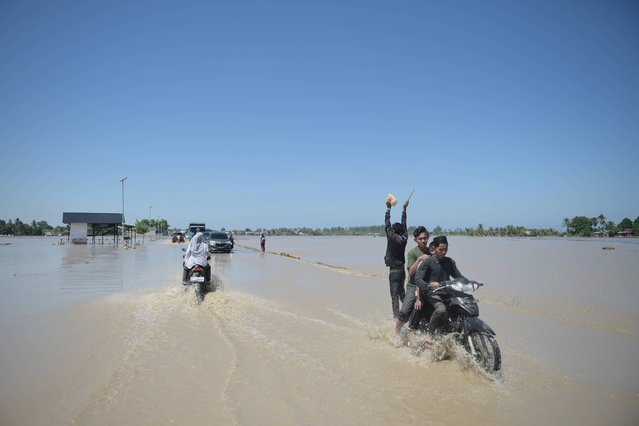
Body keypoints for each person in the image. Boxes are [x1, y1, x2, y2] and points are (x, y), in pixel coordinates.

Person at [414, 235, 467, 340]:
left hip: (447, 292)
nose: (444, 252)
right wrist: (429, 285)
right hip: (431, 294)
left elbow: (459, 277)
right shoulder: (427, 262)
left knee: (464, 304)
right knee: (441, 310)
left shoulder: (449, 262)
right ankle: (429, 335)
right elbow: (418, 279)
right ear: (434, 249)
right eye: (441, 249)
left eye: (446, 249)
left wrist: (470, 282)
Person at [395, 226, 431, 340]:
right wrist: (420, 259)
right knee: (405, 311)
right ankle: (396, 333)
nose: (423, 241)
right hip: (413, 286)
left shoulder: (432, 251)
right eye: (420, 239)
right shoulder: (412, 253)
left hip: (428, 286)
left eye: (425, 238)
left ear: (428, 238)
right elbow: (410, 273)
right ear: (415, 240)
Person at [384, 198, 409, 319]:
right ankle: (410, 311)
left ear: (394, 231)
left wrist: (388, 208)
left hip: (393, 272)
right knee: (402, 293)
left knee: (394, 296)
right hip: (402, 271)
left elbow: (387, 223)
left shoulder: (391, 237)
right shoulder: (404, 238)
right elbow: (404, 225)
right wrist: (404, 210)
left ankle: (396, 319)